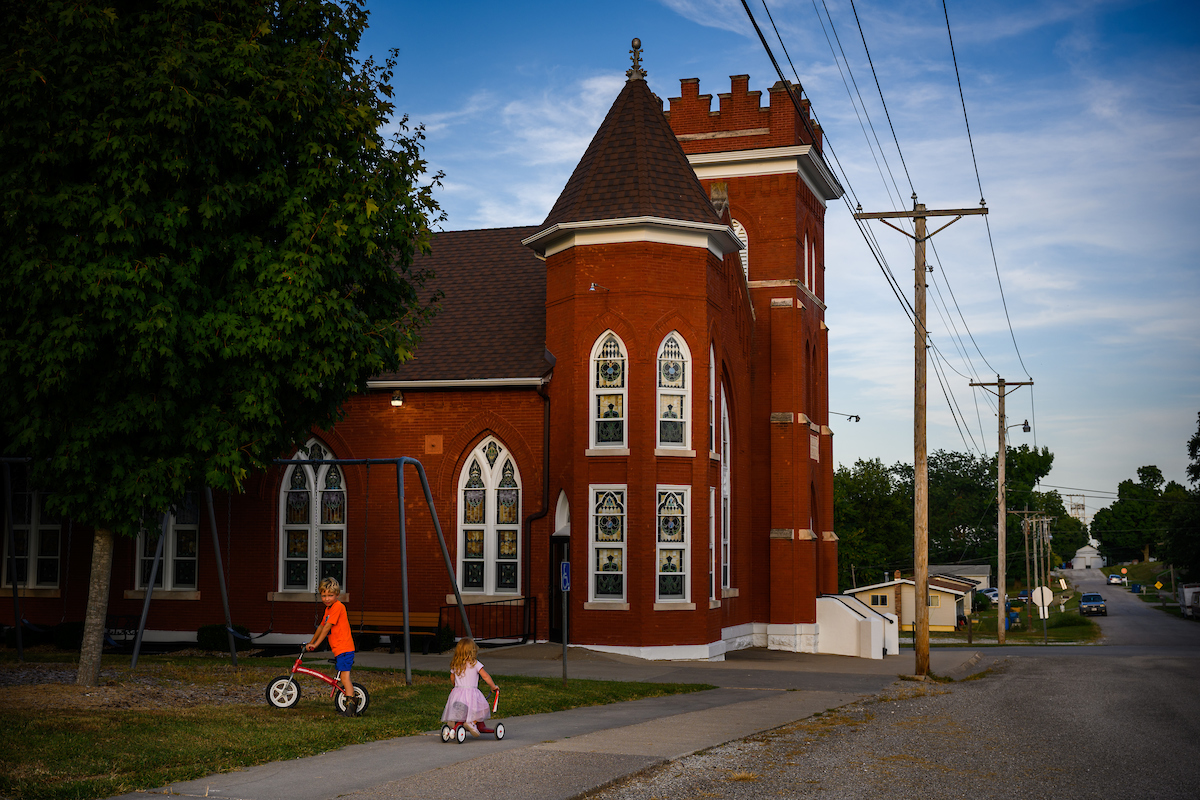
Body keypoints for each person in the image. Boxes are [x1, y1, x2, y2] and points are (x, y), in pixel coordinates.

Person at [307, 576, 358, 717]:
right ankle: (349, 703)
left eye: (330, 595)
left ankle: (351, 708)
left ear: (337, 595)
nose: (327, 598)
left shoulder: (337, 607)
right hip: (339, 649)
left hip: (345, 648)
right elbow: (321, 626)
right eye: (324, 596)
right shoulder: (329, 609)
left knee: (345, 678)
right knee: (342, 677)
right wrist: (311, 642)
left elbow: (327, 627)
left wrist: (316, 645)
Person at [440, 637, 498, 737]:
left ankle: (453, 723)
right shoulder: (475, 664)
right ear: (473, 650)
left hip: (457, 692)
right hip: (471, 693)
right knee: (483, 708)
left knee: (460, 710)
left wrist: (456, 686)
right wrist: (493, 686)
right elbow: (485, 676)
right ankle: (471, 722)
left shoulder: (456, 664)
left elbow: (452, 677)